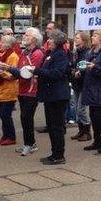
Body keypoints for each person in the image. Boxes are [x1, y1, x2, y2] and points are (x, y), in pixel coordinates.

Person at [32, 30, 71, 165]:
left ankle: (59, 155)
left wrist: (37, 71)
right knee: (51, 125)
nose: (48, 41)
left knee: (57, 126)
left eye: (51, 39)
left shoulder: (60, 55)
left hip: (58, 96)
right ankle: (54, 153)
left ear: (57, 41)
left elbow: (57, 73)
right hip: (50, 95)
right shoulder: (51, 54)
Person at [5, 27, 45, 156]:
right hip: (22, 90)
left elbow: (26, 73)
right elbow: (19, 70)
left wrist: (9, 68)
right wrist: (11, 74)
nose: (24, 37)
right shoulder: (25, 52)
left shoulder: (37, 54)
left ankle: (30, 144)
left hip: (31, 91)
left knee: (26, 117)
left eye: (27, 35)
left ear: (34, 39)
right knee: (25, 119)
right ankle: (29, 143)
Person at [0, 35, 20, 146]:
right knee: (3, 115)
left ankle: (11, 137)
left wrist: (0, 73)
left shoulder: (13, 57)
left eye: (2, 42)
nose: (0, 44)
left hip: (9, 90)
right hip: (2, 90)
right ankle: (5, 135)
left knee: (5, 114)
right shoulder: (2, 55)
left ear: (8, 45)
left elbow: (12, 75)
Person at [69, 31, 92, 141]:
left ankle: (87, 132)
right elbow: (74, 65)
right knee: (75, 109)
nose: (75, 39)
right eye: (75, 38)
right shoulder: (76, 52)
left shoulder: (87, 52)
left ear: (84, 40)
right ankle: (81, 131)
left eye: (78, 38)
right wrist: (73, 71)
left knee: (81, 109)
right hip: (77, 84)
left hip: (84, 84)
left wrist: (80, 72)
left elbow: (85, 66)